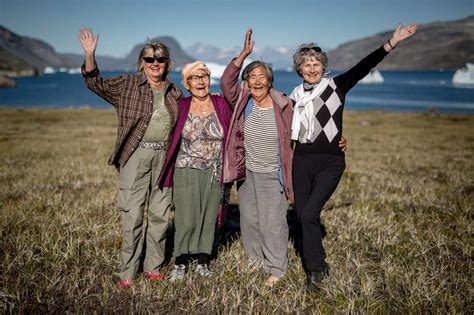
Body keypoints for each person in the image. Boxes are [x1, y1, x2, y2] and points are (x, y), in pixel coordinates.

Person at [290, 23, 417, 292]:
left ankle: (315, 271)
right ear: (299, 69)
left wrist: (392, 42)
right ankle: (319, 263)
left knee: (310, 214)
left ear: (323, 67)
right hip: (300, 160)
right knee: (302, 216)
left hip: (330, 160)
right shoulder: (294, 97)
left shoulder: (336, 86)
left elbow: (364, 65)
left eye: (316, 64)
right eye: (306, 64)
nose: (312, 69)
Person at [78, 27, 182, 289]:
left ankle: (153, 266)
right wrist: (90, 54)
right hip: (136, 155)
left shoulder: (174, 92)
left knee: (160, 215)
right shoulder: (127, 84)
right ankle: (128, 271)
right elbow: (94, 82)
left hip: (164, 157)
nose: (155, 64)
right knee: (133, 215)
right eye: (149, 59)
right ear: (142, 62)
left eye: (160, 60)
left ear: (167, 63)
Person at [219, 28, 295, 287]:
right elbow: (226, 83)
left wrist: (335, 141)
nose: (257, 81)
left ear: (270, 81)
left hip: (273, 174)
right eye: (252, 77)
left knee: (272, 223)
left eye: (262, 77)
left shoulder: (284, 106)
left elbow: (304, 132)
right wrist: (242, 55)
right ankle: (255, 261)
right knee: (249, 220)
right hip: (247, 173)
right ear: (247, 83)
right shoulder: (243, 101)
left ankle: (277, 268)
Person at [157, 61, 232, 281]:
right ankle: (180, 263)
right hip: (185, 169)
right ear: (187, 84)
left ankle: (202, 261)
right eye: (194, 78)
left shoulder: (221, 103)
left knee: (208, 218)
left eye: (204, 76)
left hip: (214, 171)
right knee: (186, 219)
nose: (200, 81)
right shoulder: (180, 105)